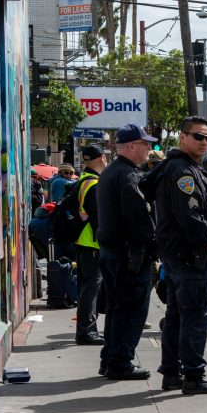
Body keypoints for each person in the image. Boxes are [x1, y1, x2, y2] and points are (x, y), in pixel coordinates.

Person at [142, 116, 207, 394]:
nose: (203, 142)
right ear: (182, 137)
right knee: (195, 316)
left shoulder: (181, 167)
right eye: (197, 136)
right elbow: (189, 215)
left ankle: (171, 373)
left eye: (206, 137)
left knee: (178, 315)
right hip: (190, 255)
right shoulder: (183, 172)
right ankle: (194, 376)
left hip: (178, 254)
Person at [95, 127, 156, 380]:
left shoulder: (112, 173)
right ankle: (120, 362)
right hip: (128, 256)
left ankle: (111, 359)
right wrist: (155, 248)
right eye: (145, 144)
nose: (149, 149)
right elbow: (139, 220)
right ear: (131, 146)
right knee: (131, 310)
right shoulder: (127, 176)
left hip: (114, 252)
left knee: (118, 308)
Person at [74, 144, 108, 346]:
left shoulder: (84, 180)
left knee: (88, 286)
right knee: (90, 288)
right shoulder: (93, 183)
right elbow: (99, 217)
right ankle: (87, 331)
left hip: (84, 241)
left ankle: (87, 329)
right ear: (101, 158)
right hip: (92, 242)